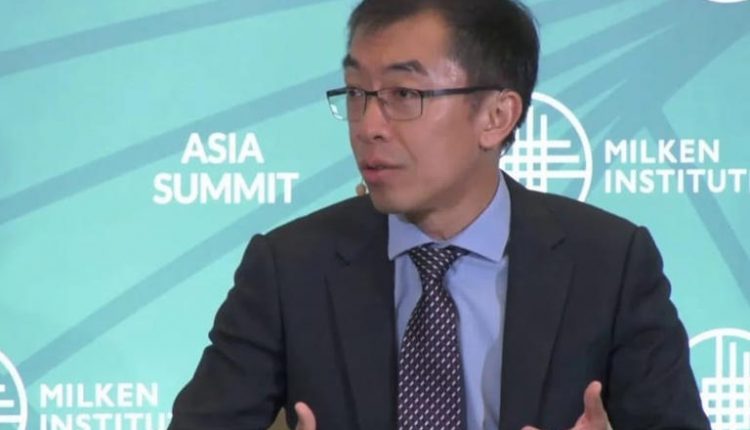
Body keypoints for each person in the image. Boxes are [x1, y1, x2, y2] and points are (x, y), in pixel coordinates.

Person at [168, 0, 710, 429]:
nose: (368, 125)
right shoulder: (289, 269)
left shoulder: (610, 266)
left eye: (404, 93)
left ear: (496, 116)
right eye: (357, 92)